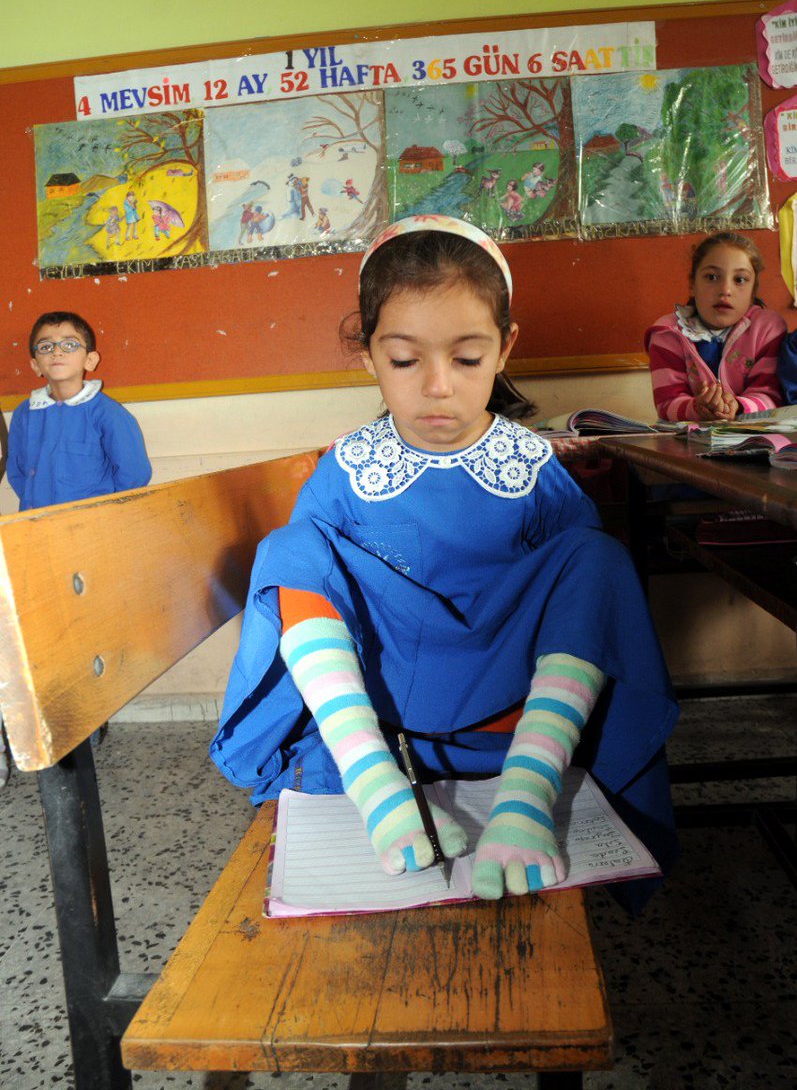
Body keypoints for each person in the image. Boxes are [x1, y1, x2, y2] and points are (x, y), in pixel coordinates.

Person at [211, 215, 678, 907]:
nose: (436, 386)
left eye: (465, 358)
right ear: (367, 352)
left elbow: (579, 609)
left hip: (511, 711)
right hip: (387, 711)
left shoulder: (528, 466)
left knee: (594, 557)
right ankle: (374, 784)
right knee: (290, 549)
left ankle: (526, 791)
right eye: (405, 360)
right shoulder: (347, 469)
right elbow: (304, 583)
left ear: (504, 348)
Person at [7, 311, 152, 511]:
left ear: (90, 360)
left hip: (93, 527)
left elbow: (135, 474)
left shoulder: (108, 413)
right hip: (36, 524)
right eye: (45, 346)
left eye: (69, 345)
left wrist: (104, 512)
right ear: (35, 365)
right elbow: (17, 471)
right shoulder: (24, 414)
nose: (57, 352)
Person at [645, 232, 785, 422]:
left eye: (740, 280)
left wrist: (737, 406)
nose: (725, 290)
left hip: (752, 440)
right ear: (692, 284)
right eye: (711, 277)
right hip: (687, 444)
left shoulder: (768, 329)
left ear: (754, 291)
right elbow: (667, 404)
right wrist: (698, 408)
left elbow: (771, 397)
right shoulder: (667, 333)